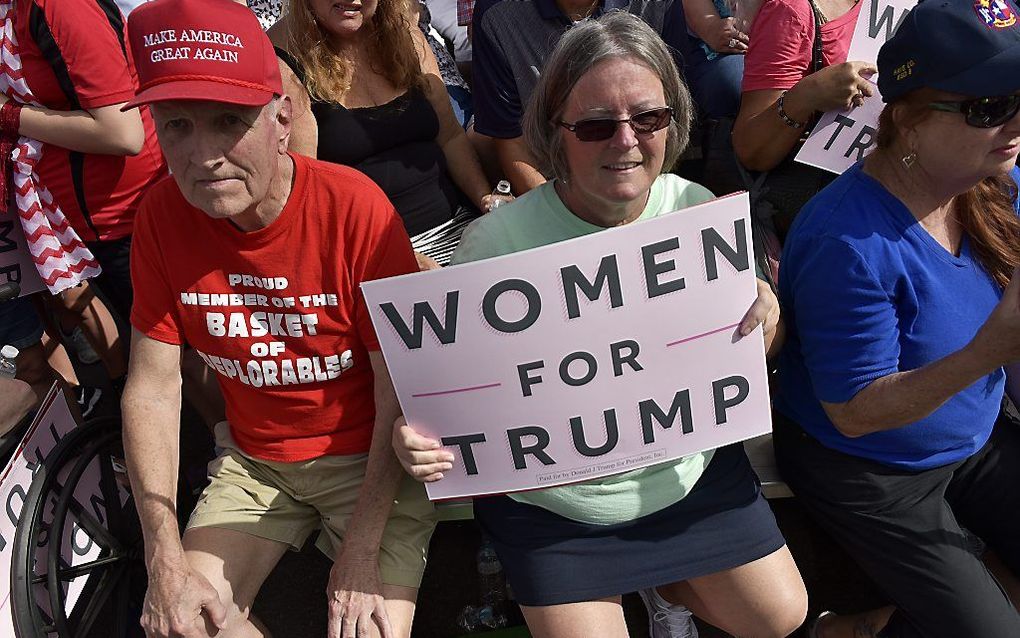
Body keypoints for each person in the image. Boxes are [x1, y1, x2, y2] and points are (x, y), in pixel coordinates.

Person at [395, 13, 807, 638]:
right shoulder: (495, 246)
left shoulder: (696, 212)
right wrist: (420, 436)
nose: (625, 141)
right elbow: (451, 397)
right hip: (556, 502)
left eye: (648, 118)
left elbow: (753, 350)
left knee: (781, 617)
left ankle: (666, 585)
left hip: (686, 475)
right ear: (554, 131)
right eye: (594, 124)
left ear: (674, 119)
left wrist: (765, 313)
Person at [120, 2, 437, 637]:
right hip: (256, 460)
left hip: (368, 456)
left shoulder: (355, 209)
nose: (202, 156)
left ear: (282, 120)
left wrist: (363, 549)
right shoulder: (159, 216)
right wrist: (163, 559)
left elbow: (398, 386)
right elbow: (153, 387)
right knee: (182, 624)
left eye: (228, 122)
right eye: (176, 125)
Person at [773, 2, 1020, 637]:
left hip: (975, 433)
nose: (1014, 124)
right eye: (987, 108)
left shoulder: (998, 180)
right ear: (907, 122)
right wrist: (986, 353)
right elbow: (854, 411)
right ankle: (847, 631)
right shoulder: (846, 239)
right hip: (870, 465)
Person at [269, 0, 499, 269]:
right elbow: (307, 194)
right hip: (368, 252)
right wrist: (400, 256)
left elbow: (450, 137)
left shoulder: (404, 34)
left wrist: (488, 202)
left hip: (460, 227)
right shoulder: (283, 58)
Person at [471, 0, 690, 195]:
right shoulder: (497, 14)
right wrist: (561, 217)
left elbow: (672, 113)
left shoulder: (659, 4)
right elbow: (510, 140)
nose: (623, 139)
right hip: (551, 185)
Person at [731, 0, 872, 239]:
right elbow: (752, 150)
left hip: (896, 189)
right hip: (838, 214)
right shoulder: (789, 10)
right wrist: (808, 95)